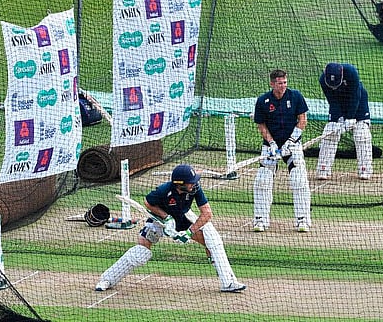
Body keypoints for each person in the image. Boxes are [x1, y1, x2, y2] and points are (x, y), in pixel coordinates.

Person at [95, 164, 246, 293]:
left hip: (183, 217)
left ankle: (229, 283)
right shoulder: (163, 190)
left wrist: (189, 232)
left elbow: (207, 214)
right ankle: (107, 280)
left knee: (213, 241)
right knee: (142, 251)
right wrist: (166, 218)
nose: (194, 184)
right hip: (160, 220)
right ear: (179, 183)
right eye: (190, 183)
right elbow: (148, 203)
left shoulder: (195, 188)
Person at [252, 69, 311, 233]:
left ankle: (303, 220)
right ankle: (260, 220)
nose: (283, 85)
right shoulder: (263, 101)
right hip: (271, 147)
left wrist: (292, 140)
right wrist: (271, 143)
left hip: (292, 145)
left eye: (285, 82)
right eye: (280, 83)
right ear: (272, 84)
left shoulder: (295, 96)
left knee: (299, 180)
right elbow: (261, 125)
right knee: (262, 181)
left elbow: (302, 119)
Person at [316, 62, 373, 180]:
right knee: (330, 133)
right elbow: (333, 101)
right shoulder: (323, 80)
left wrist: (350, 118)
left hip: (358, 103)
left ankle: (365, 169)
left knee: (362, 134)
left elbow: (355, 96)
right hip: (339, 104)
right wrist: (339, 119)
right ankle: (323, 168)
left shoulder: (351, 72)